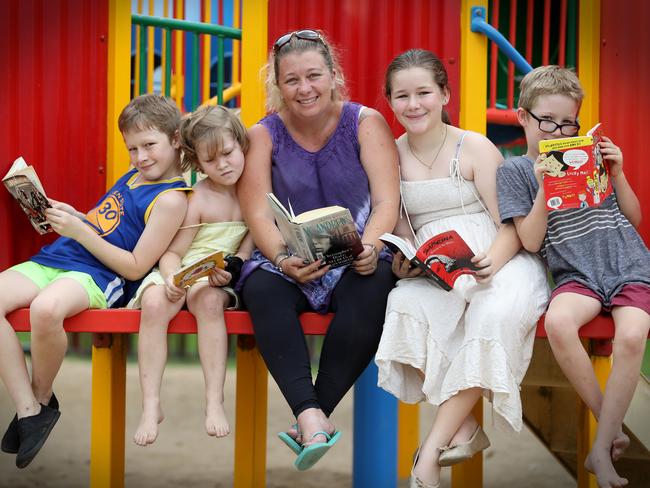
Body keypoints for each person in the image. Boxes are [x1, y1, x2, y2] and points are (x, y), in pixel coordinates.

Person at [374, 49, 549, 488]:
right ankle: (465, 427)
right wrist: (407, 264)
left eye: (423, 93)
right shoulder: (389, 156)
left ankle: (428, 455)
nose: (413, 104)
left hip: (498, 258)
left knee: (489, 317)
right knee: (402, 306)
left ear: (443, 94)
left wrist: (493, 261)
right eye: (402, 96)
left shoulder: (473, 146)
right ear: (390, 102)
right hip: (441, 267)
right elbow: (401, 229)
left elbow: (509, 224)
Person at [237, 29, 399, 470]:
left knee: (377, 284)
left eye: (313, 76)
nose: (304, 88)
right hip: (290, 258)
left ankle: (312, 417)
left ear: (333, 75)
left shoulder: (365, 122)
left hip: (357, 253)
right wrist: (281, 259)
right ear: (277, 84)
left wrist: (371, 245)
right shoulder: (263, 135)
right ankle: (313, 417)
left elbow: (387, 200)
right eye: (291, 80)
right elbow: (256, 212)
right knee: (261, 291)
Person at [0, 94, 190, 468]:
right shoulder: (133, 176)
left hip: (98, 275)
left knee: (46, 309)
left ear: (176, 140)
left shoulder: (171, 199)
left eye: (149, 145)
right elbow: (103, 222)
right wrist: (71, 215)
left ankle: (41, 395)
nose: (140, 157)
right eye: (132, 148)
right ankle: (29, 409)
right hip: (57, 258)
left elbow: (136, 266)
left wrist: (81, 232)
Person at [496, 65, 650, 488]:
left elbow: (633, 219)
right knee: (559, 322)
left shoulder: (592, 158)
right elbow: (528, 240)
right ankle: (608, 422)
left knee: (633, 335)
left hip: (627, 265)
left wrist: (617, 174)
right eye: (547, 121)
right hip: (575, 274)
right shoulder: (514, 172)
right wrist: (545, 187)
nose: (558, 131)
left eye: (568, 123)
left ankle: (600, 449)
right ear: (524, 117)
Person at [127, 105, 253, 446]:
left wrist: (232, 270)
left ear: (242, 145)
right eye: (211, 161)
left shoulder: (253, 197)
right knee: (153, 303)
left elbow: (245, 249)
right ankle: (151, 403)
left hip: (215, 281)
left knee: (210, 302)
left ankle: (214, 400)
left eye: (228, 153)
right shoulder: (196, 198)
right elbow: (172, 253)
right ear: (198, 163)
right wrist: (170, 278)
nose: (223, 165)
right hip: (180, 273)